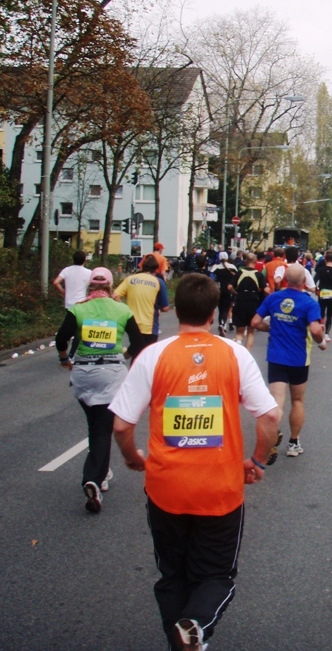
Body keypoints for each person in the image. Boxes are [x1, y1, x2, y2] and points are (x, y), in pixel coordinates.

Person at [110, 273, 281, 651]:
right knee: (216, 575)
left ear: (178, 311)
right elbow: (269, 417)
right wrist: (257, 460)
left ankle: (183, 637)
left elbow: (121, 425)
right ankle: (196, 624)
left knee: (173, 574)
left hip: (165, 488)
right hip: (219, 491)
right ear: (217, 311)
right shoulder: (235, 354)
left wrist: (133, 457)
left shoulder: (152, 355)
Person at [55, 267, 144, 513]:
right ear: (110, 285)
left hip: (83, 373)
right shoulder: (122, 310)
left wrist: (64, 359)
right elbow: (138, 344)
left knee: (95, 425)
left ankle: (101, 472)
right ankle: (94, 478)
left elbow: (61, 338)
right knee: (102, 429)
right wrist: (122, 356)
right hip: (111, 374)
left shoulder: (78, 308)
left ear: (89, 286)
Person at [251, 263, 325, 461]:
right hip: (299, 358)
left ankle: (272, 436)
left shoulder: (274, 298)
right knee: (298, 401)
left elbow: (255, 322)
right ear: (303, 282)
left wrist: (272, 329)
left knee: (276, 401)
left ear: (285, 280)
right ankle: (293, 443)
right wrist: (321, 342)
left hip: (276, 356)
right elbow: (317, 330)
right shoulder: (309, 302)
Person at [113, 254, 170, 356]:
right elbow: (165, 307)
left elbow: (114, 296)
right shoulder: (158, 282)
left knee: (136, 353)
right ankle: (127, 354)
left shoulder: (130, 279)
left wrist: (125, 308)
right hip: (150, 326)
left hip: (132, 324)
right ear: (156, 270)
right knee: (146, 356)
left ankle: (128, 354)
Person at [230, 252, 267, 349]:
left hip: (240, 301)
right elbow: (266, 290)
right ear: (255, 261)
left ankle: (238, 351)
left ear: (245, 261)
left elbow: (229, 287)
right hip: (253, 302)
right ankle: (247, 354)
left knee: (239, 332)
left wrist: (236, 293)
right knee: (251, 332)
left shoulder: (239, 273)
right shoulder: (258, 275)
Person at [314, 250, 332, 340]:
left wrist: (316, 289)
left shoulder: (321, 270)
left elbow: (314, 280)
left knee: (321, 313)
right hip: (331, 294)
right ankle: (327, 334)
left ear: (325, 260)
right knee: (329, 314)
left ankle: (320, 329)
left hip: (322, 293)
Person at [211, 251, 238, 336]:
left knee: (221, 309)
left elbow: (211, 278)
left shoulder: (215, 267)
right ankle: (223, 325)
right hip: (229, 290)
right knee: (226, 309)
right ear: (227, 257)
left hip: (218, 290)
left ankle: (222, 324)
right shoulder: (232, 267)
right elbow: (237, 277)